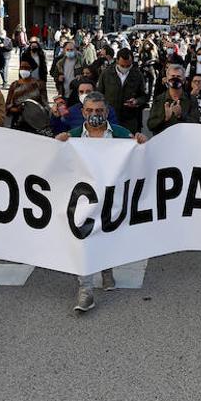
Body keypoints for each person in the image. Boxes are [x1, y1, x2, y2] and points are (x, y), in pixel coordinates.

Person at [56, 92, 148, 312]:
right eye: (90, 111)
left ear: (106, 112)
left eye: (99, 111)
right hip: (84, 200)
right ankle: (85, 290)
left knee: (107, 236)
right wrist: (57, 144)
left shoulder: (121, 135)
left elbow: (140, 160)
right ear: (83, 112)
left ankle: (106, 269)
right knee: (83, 239)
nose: (94, 115)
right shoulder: (74, 137)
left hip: (111, 198)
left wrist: (141, 143)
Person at [96, 48, 147, 135]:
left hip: (130, 119)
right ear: (117, 61)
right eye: (122, 66)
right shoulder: (106, 74)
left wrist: (137, 101)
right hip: (109, 118)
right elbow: (99, 95)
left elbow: (144, 96)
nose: (125, 68)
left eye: (128, 66)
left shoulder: (138, 75)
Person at [147, 64, 200, 134]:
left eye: (178, 76)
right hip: (164, 141)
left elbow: (196, 124)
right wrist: (165, 118)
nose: (175, 79)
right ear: (167, 79)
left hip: (185, 140)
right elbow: (150, 125)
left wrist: (181, 115)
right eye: (172, 76)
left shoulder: (191, 99)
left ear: (184, 80)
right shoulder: (159, 100)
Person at [6, 56, 42, 128]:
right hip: (16, 121)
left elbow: (44, 105)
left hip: (33, 122)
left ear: (31, 69)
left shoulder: (39, 85)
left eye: (26, 68)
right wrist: (16, 109)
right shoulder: (14, 85)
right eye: (21, 67)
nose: (23, 70)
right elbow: (7, 105)